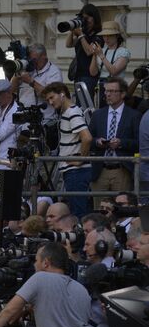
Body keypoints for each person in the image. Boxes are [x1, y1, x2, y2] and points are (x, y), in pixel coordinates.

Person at [43, 82, 93, 219]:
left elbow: (87, 138)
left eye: (52, 97)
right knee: (78, 211)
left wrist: (79, 160)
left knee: (79, 214)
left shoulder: (72, 112)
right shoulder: (69, 112)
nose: (50, 102)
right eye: (48, 100)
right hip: (73, 171)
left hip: (77, 172)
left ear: (62, 94)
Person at [90, 76, 141, 199]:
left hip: (122, 169)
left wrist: (121, 143)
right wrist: (97, 142)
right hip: (100, 170)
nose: (107, 94)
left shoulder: (134, 115)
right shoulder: (97, 115)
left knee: (122, 209)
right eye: (106, 91)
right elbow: (88, 139)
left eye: (112, 91)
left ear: (123, 94)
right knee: (99, 211)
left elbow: (140, 143)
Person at [63, 1, 104, 98]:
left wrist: (81, 35)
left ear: (95, 18)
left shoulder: (98, 35)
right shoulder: (83, 34)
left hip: (89, 76)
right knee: (79, 103)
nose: (86, 21)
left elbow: (90, 52)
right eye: (83, 18)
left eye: (88, 18)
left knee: (86, 104)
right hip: (78, 75)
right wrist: (72, 29)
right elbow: (68, 44)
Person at [18, 43, 65, 115]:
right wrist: (17, 71)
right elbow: (11, 90)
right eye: (30, 59)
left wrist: (31, 82)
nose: (32, 62)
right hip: (23, 117)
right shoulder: (28, 69)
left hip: (43, 120)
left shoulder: (54, 72)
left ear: (44, 56)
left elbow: (51, 95)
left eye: (34, 59)